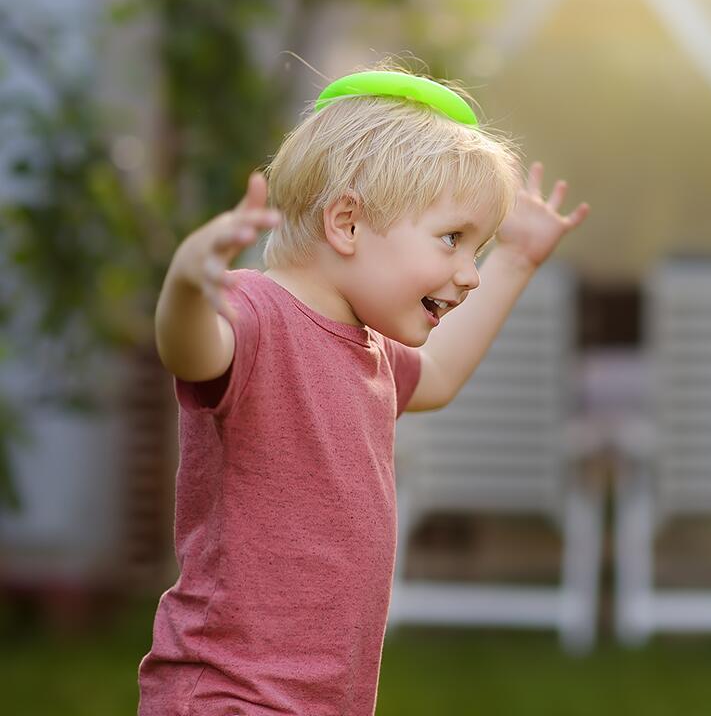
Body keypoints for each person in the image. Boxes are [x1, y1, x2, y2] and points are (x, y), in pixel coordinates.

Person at [138, 69, 588, 715]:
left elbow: (438, 379)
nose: (469, 275)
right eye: (453, 239)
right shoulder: (257, 314)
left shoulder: (366, 346)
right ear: (347, 222)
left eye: (479, 249)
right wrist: (186, 284)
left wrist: (517, 260)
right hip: (231, 691)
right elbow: (189, 350)